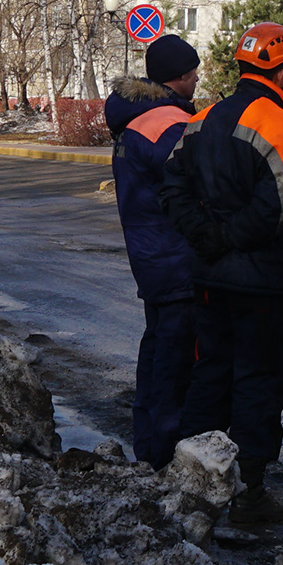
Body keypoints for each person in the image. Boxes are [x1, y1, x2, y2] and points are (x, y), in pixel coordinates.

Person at [162, 21, 283, 523]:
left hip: (209, 277)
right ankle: (250, 493)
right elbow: (282, 205)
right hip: (261, 280)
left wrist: (205, 236)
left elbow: (172, 190)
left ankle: (194, 483)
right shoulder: (280, 123)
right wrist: (226, 237)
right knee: (259, 380)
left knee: (210, 373)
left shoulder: (202, 119)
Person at [104, 34, 202, 469]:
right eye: (194, 72)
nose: (197, 79)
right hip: (174, 253)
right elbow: (193, 184)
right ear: (179, 76)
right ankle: (162, 449)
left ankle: (148, 441)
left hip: (150, 253)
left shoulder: (136, 118)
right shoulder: (167, 122)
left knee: (157, 346)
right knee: (174, 357)